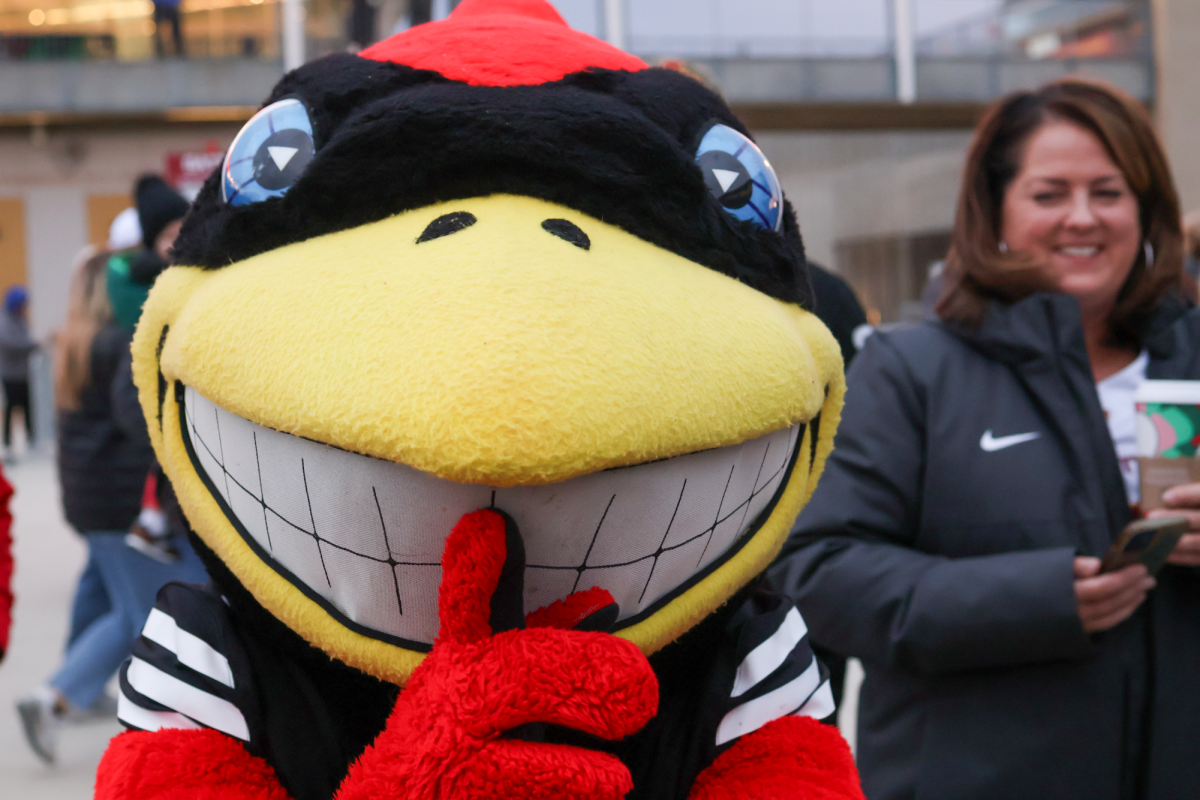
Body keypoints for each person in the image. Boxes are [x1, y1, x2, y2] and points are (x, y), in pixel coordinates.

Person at [770, 78, 1200, 799]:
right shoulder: (913, 371)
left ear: (1146, 208)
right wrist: (1027, 598)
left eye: (1108, 191)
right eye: (1049, 193)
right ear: (996, 209)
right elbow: (819, 572)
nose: (1082, 217)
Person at [16, 245, 206, 765]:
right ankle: (56, 700)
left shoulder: (73, 343)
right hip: (125, 504)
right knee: (151, 614)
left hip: (91, 502)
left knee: (120, 607)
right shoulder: (119, 344)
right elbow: (137, 419)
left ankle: (61, 696)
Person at [0, 285, 38, 457]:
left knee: (27, 405)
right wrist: (33, 345)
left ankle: (32, 439)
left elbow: (25, 338)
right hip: (9, 373)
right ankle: (7, 443)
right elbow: (12, 343)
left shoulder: (20, 319)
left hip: (23, 372)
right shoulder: (4, 320)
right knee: (11, 406)